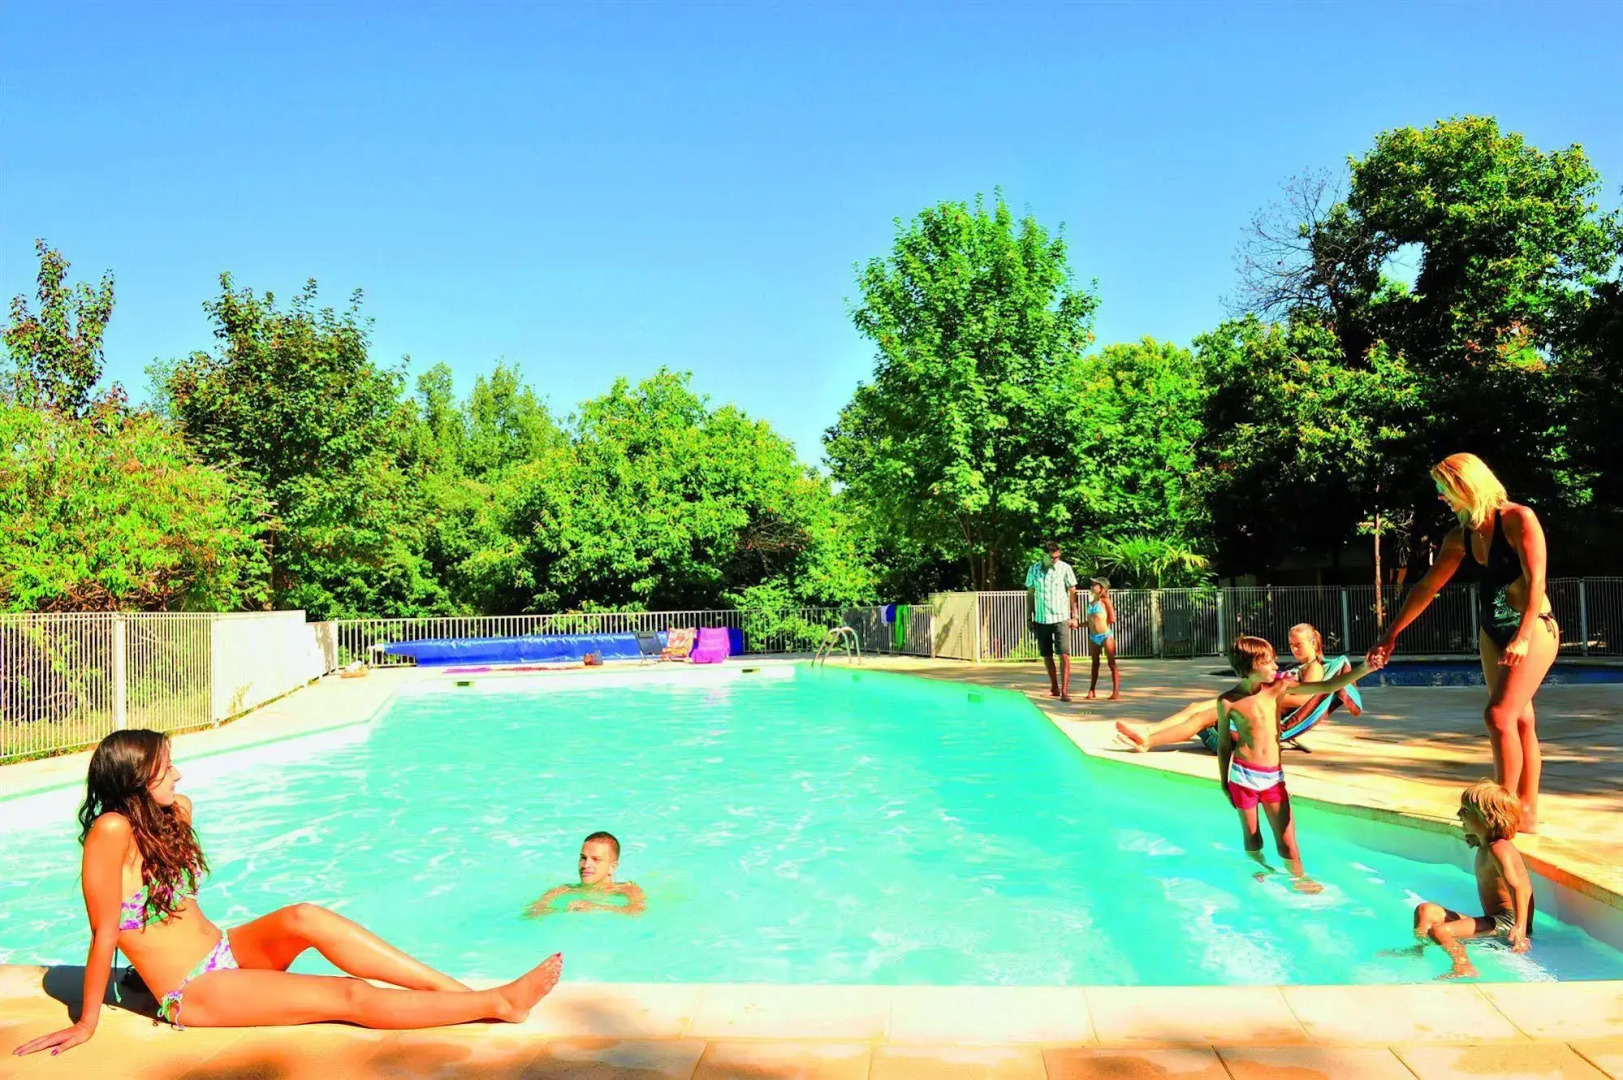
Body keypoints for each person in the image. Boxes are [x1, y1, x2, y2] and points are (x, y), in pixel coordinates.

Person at [13, 730, 563, 1057]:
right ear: (136, 777)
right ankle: (498, 1003)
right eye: (166, 767)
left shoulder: (174, 815)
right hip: (194, 989)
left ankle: (455, 994)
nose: (179, 775)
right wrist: (86, 1022)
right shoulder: (110, 831)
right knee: (346, 995)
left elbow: (172, 907)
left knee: (306, 915)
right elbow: (105, 932)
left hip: (225, 950)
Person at [1366, 453, 1558, 832]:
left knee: (1498, 716)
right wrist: (1390, 634)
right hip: (1492, 631)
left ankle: (1500, 814)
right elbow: (1426, 587)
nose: (1442, 497)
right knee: (1518, 719)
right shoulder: (1461, 536)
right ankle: (1527, 813)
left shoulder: (1519, 519)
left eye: (1445, 488)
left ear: (1466, 485)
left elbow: (1537, 580)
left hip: (1533, 627)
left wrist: (1522, 636)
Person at [1217, 635, 1381, 892]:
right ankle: (1260, 867)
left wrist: (1364, 669)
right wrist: (1224, 782)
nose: (1276, 666)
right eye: (1269, 662)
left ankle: (1298, 878)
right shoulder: (1227, 701)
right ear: (1251, 666)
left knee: (1286, 840)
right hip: (1242, 776)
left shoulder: (1279, 688)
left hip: (1272, 778)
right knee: (1252, 836)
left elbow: (1327, 686)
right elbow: (1224, 744)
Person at [1114, 624, 1327, 752]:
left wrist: (1263, 696)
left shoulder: (1314, 668)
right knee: (1195, 706)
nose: (1294, 649)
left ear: (1313, 643)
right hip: (1256, 704)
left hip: (1262, 713)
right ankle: (1147, 730)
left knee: (1203, 716)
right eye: (1291, 645)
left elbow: (1303, 700)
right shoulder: (1300, 667)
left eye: (1299, 644)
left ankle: (1149, 741)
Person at [1411, 780, 1534, 979]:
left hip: (1508, 921)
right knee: (1425, 911)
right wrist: (1475, 836)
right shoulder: (1487, 845)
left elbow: (1518, 887)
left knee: (1442, 931)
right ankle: (1419, 952)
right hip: (1493, 919)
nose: (1459, 814)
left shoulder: (1500, 848)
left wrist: (1520, 927)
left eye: (1465, 810)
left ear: (1487, 818)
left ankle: (1463, 966)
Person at [526, 832, 647, 917]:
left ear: (612, 867)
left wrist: (595, 907)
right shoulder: (563, 890)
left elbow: (636, 912)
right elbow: (532, 913)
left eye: (595, 859)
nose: (586, 865)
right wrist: (562, 911)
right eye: (583, 858)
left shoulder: (627, 889)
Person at [1024, 541, 1080, 702]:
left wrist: (1075, 616)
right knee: (1046, 655)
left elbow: (1073, 593)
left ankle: (1065, 691)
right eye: (1052, 557)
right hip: (1042, 618)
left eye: (1057, 557)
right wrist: (1029, 617)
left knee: (1064, 654)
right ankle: (1054, 688)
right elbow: (1030, 594)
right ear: (1044, 556)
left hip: (1061, 617)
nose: (1055, 560)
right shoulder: (1033, 569)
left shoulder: (1065, 568)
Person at [1083, 579, 1120, 700]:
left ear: (1102, 588)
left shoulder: (1105, 601)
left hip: (1105, 635)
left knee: (1111, 663)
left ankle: (1115, 691)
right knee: (1095, 664)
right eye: (1093, 584)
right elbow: (1089, 621)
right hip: (1093, 636)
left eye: (1096, 585)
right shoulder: (1091, 602)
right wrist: (1078, 624)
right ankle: (1092, 690)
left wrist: (1102, 625)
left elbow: (1112, 618)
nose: (1092, 586)